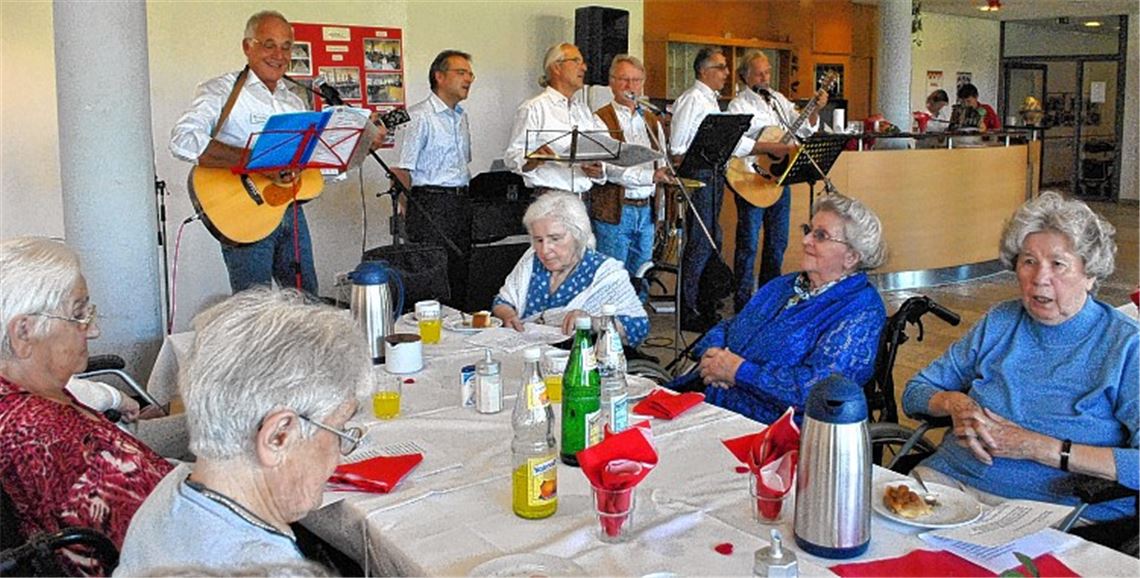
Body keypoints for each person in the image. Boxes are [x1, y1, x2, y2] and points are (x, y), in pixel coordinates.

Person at [901, 192, 1137, 523]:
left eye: (1057, 264)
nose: (1039, 277)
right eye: (1028, 261)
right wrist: (955, 404)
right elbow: (916, 391)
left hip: (1057, 511)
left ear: (1091, 273)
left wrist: (1040, 448)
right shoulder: (1001, 320)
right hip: (951, 483)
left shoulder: (1126, 346)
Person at [115, 289, 372, 575]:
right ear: (279, 437)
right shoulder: (269, 569)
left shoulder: (165, 495)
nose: (339, 456)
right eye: (338, 432)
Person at [169, 10, 386, 295]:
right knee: (254, 312)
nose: (279, 54)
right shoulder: (221, 90)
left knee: (306, 304)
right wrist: (258, 163)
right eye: (268, 44)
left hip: (291, 212)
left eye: (286, 47)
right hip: (244, 213)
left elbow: (315, 170)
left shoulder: (294, 101)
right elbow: (182, 140)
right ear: (248, 47)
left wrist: (360, 149)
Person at [0, 237, 173, 574]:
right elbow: (162, 548)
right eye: (79, 314)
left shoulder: (35, 394)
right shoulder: (51, 437)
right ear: (24, 332)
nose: (93, 330)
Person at [670, 193, 887, 425]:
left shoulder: (861, 310)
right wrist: (712, 353)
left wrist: (739, 371)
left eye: (821, 236)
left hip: (773, 430)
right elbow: (732, 325)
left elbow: (821, 391)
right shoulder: (784, 285)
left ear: (852, 256)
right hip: (712, 401)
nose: (805, 241)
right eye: (809, 230)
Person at [727, 50, 826, 313]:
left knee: (778, 241)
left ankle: (769, 300)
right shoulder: (738, 105)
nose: (765, 77)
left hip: (779, 180)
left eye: (768, 72)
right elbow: (735, 143)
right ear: (746, 76)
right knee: (748, 244)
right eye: (759, 73)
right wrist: (769, 146)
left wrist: (814, 111)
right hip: (751, 179)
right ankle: (743, 302)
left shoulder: (779, 101)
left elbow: (803, 128)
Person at [492, 192, 649, 347]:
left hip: (578, 360)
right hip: (526, 352)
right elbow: (503, 300)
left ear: (577, 235)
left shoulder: (605, 272)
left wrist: (592, 322)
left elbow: (638, 326)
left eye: (555, 239)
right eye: (538, 240)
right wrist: (508, 315)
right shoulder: (531, 260)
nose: (545, 249)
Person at [669, 47, 747, 332]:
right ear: (703, 71)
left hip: (713, 173)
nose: (726, 73)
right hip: (698, 174)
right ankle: (687, 308)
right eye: (721, 67)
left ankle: (705, 303)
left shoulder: (711, 102)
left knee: (713, 238)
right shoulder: (692, 100)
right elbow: (677, 146)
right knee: (700, 242)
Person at [393, 49, 475, 303]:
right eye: (461, 72)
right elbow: (402, 169)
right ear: (439, 76)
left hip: (460, 203)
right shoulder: (418, 116)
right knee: (433, 279)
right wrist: (409, 211)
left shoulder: (461, 118)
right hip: (429, 204)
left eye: (471, 74)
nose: (469, 79)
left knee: (459, 275)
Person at [589, 55, 672, 292]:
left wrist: (661, 211)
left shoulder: (651, 119)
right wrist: (650, 178)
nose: (630, 86)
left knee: (641, 274)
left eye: (636, 80)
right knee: (612, 277)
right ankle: (610, 325)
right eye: (624, 80)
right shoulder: (600, 118)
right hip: (616, 210)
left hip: (646, 209)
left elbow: (661, 161)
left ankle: (636, 324)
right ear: (612, 83)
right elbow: (608, 168)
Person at [503, 43, 607, 195]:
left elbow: (601, 154)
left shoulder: (583, 111)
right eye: (576, 61)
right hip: (550, 198)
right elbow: (513, 156)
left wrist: (599, 170)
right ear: (556, 68)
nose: (584, 67)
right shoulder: (534, 108)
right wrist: (532, 160)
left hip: (583, 200)